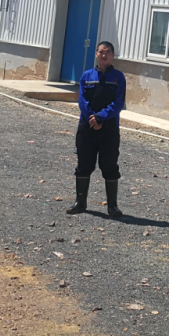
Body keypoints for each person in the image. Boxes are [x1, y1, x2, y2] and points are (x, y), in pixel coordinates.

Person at [66, 40, 126, 217]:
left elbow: (118, 102)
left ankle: (112, 206)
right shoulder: (86, 76)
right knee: (83, 164)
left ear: (112, 55)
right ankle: (80, 203)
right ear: (96, 54)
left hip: (109, 128)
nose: (104, 55)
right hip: (87, 127)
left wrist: (100, 117)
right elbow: (82, 101)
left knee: (109, 165)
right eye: (101, 52)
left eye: (107, 52)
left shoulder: (118, 77)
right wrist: (92, 118)